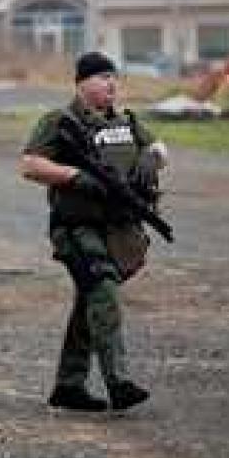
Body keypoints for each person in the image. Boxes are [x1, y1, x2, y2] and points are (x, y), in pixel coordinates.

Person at [19, 51, 168, 413]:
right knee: (102, 289)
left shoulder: (125, 121)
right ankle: (119, 383)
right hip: (76, 226)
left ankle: (69, 386)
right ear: (81, 84)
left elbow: (159, 147)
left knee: (91, 300)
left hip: (118, 227)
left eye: (113, 76)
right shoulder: (60, 121)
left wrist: (151, 159)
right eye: (102, 77)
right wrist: (76, 177)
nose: (111, 83)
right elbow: (30, 165)